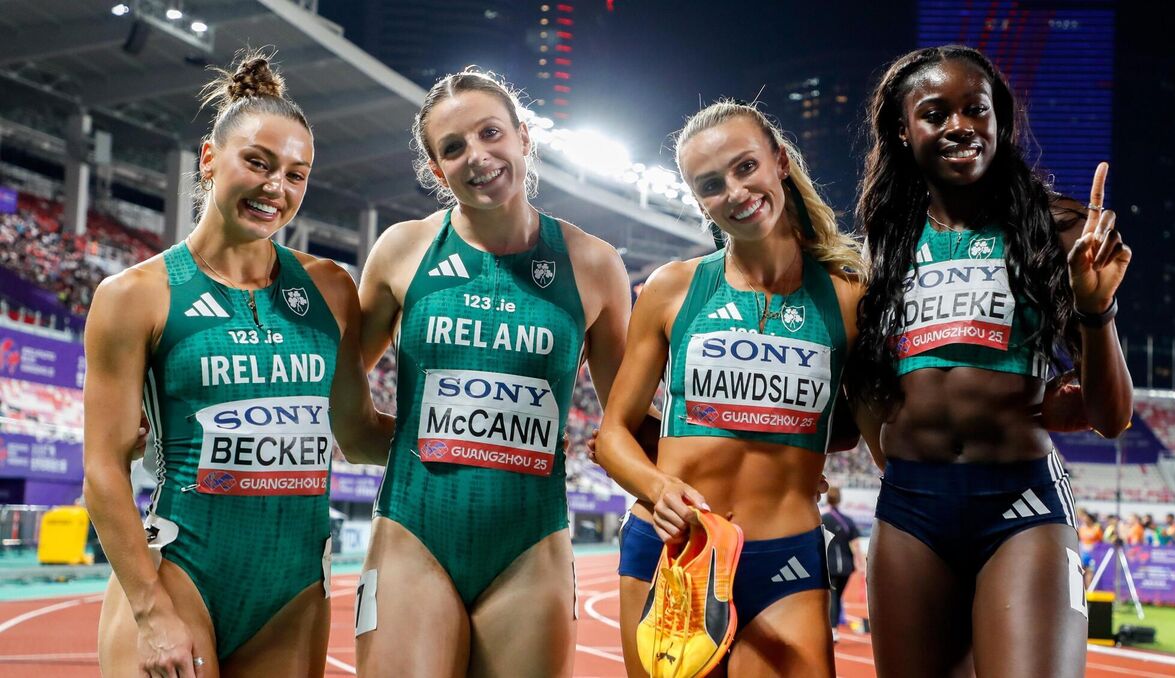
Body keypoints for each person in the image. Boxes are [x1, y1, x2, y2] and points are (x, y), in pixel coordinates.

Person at [329, 69, 632, 677]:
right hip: (412, 532)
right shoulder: (402, 249)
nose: (478, 156)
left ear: (524, 138)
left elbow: (629, 417)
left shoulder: (594, 264)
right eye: (453, 148)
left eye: (491, 133)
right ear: (438, 170)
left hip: (532, 545)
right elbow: (332, 378)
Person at [848, 44, 1134, 678]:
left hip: (1020, 502)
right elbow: (865, 386)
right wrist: (889, 458)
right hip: (910, 509)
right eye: (935, 112)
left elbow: (1112, 417)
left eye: (976, 110)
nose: (959, 126)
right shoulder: (882, 242)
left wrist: (1096, 310)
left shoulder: (1060, 230)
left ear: (999, 122)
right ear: (903, 129)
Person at [85, 50, 357, 676]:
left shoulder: (331, 291)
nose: (275, 188)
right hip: (181, 575)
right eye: (257, 163)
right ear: (210, 159)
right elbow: (103, 470)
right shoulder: (135, 295)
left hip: (293, 591)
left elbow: (358, 430)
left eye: (296, 174)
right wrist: (153, 614)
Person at [596, 100, 864, 677]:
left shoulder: (848, 296)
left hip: (784, 557)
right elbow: (612, 434)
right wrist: (656, 486)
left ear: (781, 163)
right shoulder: (672, 288)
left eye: (746, 168)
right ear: (699, 201)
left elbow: (857, 423)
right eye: (712, 184)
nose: (736, 192)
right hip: (673, 550)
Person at [821, 486, 862, 642]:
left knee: (833, 598)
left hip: (829, 565)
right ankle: (833, 628)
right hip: (846, 566)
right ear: (839, 499)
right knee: (837, 597)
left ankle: (833, 630)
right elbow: (856, 544)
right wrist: (860, 564)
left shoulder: (822, 519)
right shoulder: (848, 521)